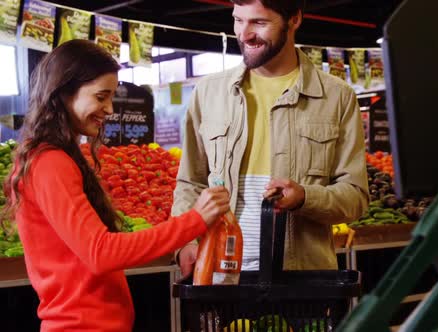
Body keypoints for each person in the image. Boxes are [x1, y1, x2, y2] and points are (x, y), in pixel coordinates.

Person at [3, 39, 230, 332]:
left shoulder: (51, 157)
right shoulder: (50, 162)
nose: (109, 108)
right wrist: (193, 221)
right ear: (64, 92)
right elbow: (101, 252)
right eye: (101, 97)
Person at [173, 0, 369, 274]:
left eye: (259, 22)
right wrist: (185, 241)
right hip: (220, 276)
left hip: (303, 283)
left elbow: (355, 198)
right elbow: (190, 182)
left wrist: (304, 197)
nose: (244, 33)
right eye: (238, 20)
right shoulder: (209, 92)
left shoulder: (337, 97)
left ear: (294, 19)